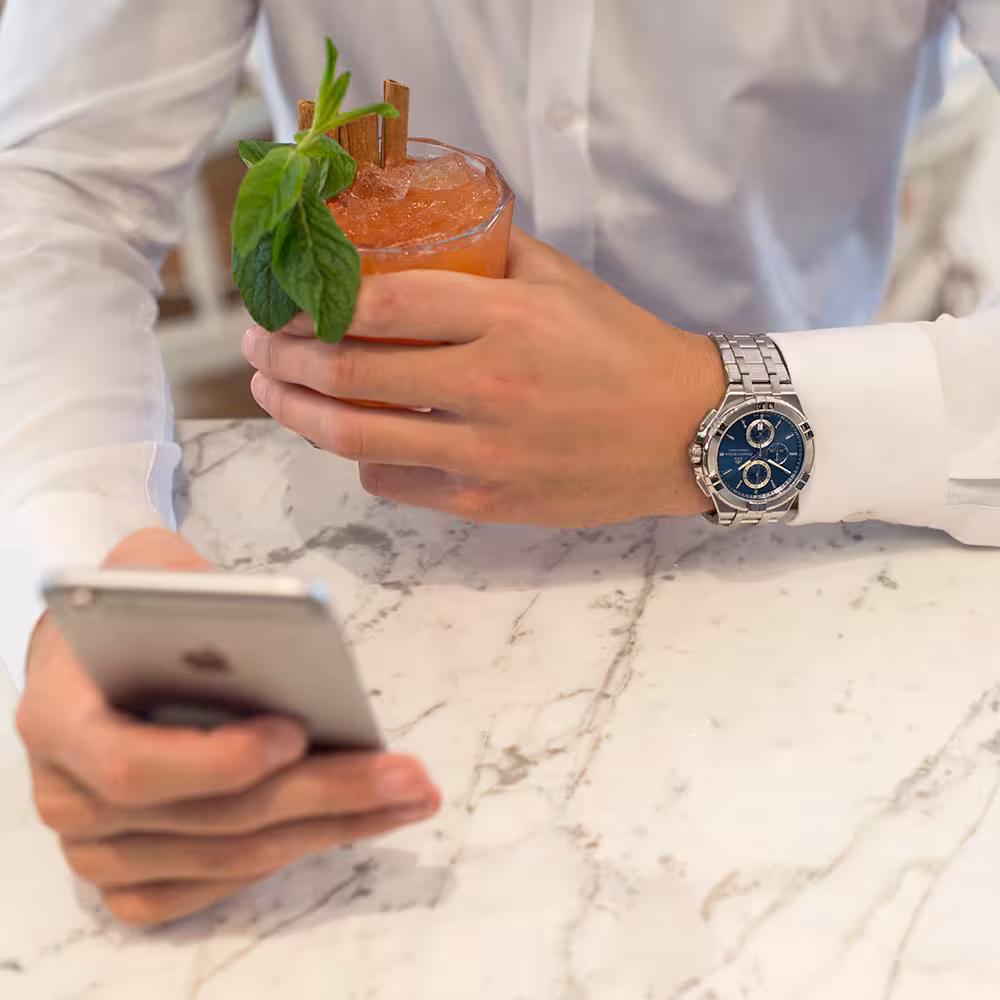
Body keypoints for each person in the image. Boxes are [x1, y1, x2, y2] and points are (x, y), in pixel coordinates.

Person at [1, 0, 998, 927]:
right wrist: (78, 565)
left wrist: (718, 409)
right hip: (373, 566)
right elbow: (54, 187)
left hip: (806, 588)